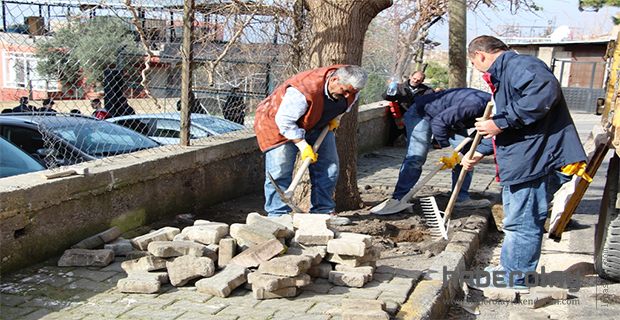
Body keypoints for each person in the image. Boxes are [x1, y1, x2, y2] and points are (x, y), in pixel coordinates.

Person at [462, 35, 586, 288]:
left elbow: (543, 92)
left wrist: (499, 122)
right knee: (519, 219)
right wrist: (482, 149)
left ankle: (513, 278)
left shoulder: (519, 66)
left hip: (535, 160)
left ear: (480, 56)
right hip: (528, 156)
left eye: (474, 64)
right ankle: (510, 269)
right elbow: (514, 122)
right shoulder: (507, 73)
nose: (476, 70)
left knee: (522, 222)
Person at [254, 64, 367, 220]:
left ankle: (322, 211)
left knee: (329, 167)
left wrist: (335, 119)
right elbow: (285, 121)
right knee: (280, 171)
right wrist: (302, 145)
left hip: (317, 123)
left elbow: (347, 104)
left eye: (353, 93)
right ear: (334, 80)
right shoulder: (304, 89)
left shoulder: (351, 90)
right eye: (346, 91)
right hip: (278, 125)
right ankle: (278, 215)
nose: (349, 95)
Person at [371, 88, 493, 215]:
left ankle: (460, 198)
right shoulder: (474, 104)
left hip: (451, 120)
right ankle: (399, 198)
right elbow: (439, 122)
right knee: (416, 157)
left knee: (468, 157)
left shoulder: (499, 113)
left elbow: (487, 138)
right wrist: (445, 149)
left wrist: (466, 153)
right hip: (422, 113)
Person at [383, 71, 434, 146]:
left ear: (422, 81)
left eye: (418, 80)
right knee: (396, 127)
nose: (415, 81)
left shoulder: (426, 90)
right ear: (410, 77)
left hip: (416, 115)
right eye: (414, 78)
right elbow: (388, 98)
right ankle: (392, 141)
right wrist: (389, 91)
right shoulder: (400, 87)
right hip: (401, 114)